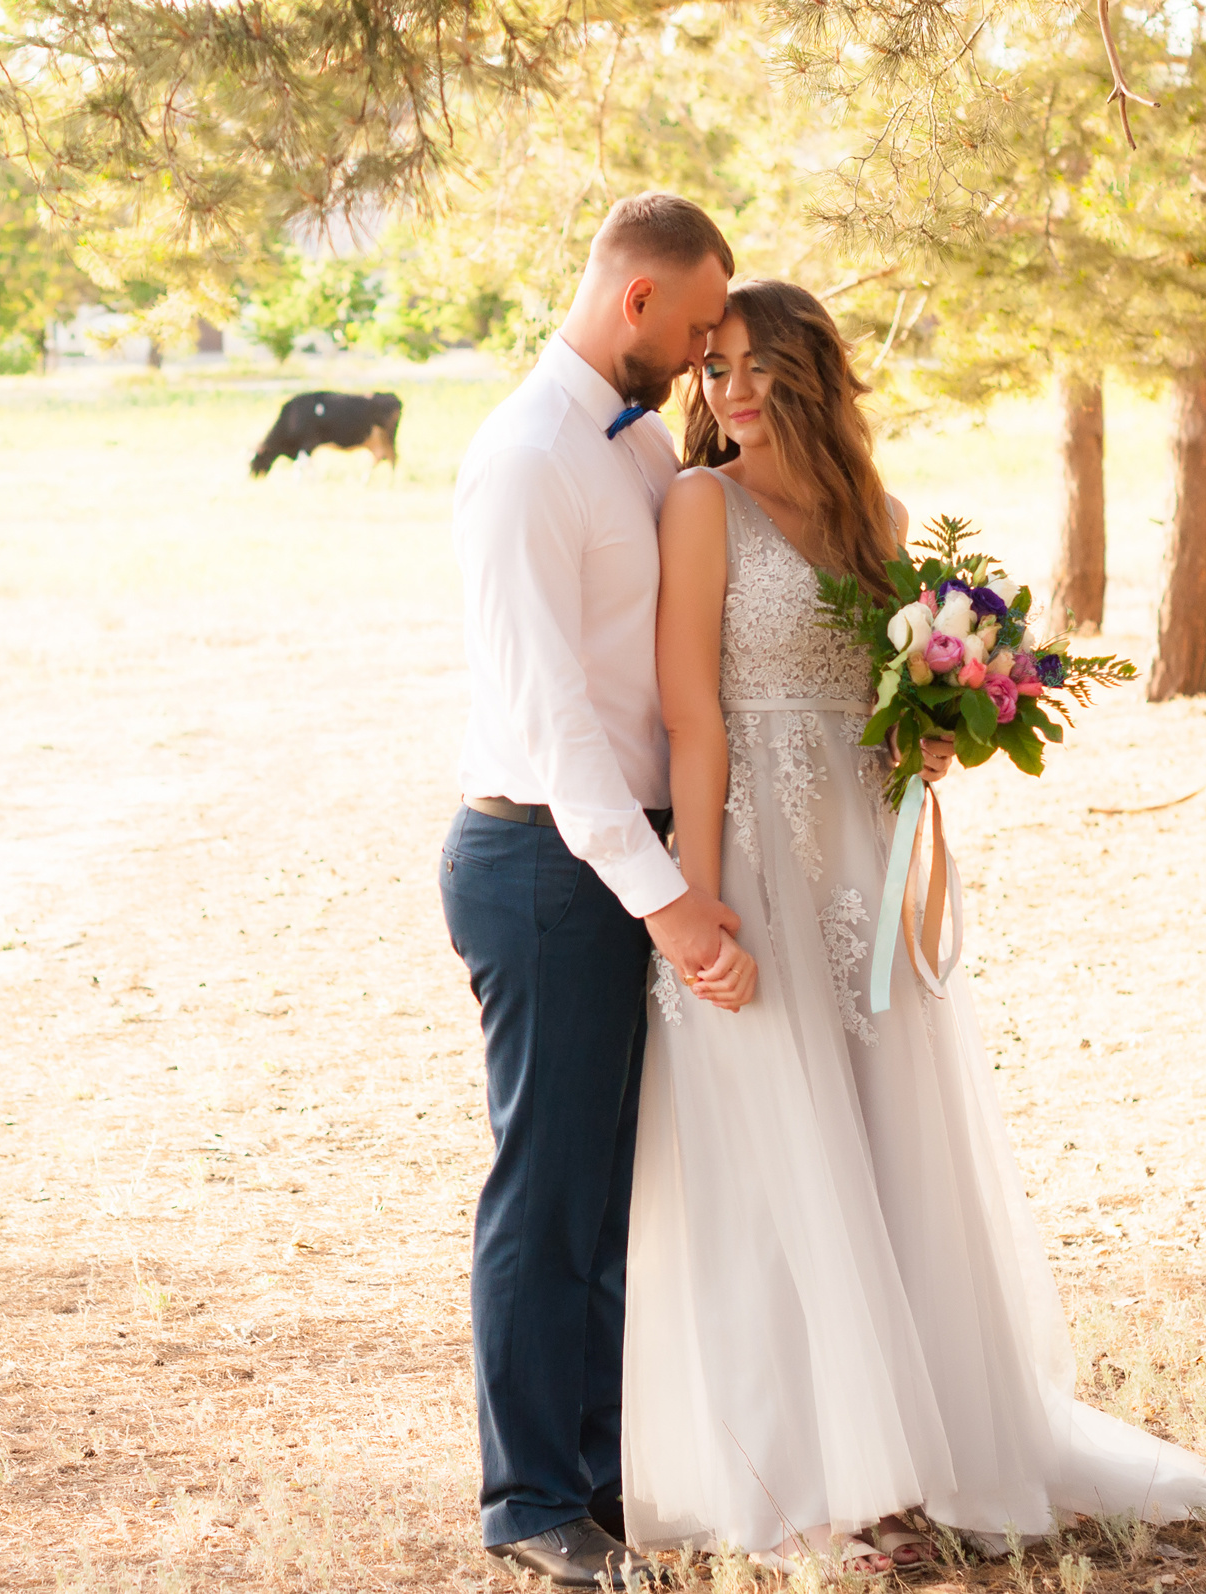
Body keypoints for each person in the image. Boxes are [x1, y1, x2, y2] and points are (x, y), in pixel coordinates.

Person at [621, 278, 1206, 1575]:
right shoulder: (700, 505)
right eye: (714, 367)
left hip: (864, 861)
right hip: (753, 855)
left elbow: (889, 701)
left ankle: (908, 1458)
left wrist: (939, 734)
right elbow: (691, 714)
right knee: (773, 1159)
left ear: (809, 374)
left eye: (755, 365)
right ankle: (800, 1484)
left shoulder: (880, 520)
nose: (730, 389)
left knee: (886, 1147)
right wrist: (700, 899)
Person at [436, 192, 745, 1591]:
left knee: (612, 1203)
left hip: (616, 858)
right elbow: (554, 721)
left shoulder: (635, 445)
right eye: (697, 328)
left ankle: (603, 1473)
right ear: (638, 301)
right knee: (549, 1192)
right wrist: (664, 897)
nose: (702, 356)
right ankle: (531, 1501)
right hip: (546, 864)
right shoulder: (524, 459)